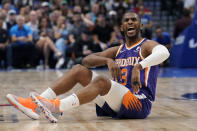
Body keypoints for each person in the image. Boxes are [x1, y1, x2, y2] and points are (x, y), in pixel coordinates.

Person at [6, 12, 170, 123]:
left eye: (134, 20)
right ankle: (33, 105)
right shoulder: (118, 50)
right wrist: (107, 61)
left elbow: (164, 52)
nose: (130, 22)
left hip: (139, 103)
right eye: (126, 20)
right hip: (115, 102)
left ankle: (56, 107)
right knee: (78, 69)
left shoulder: (146, 45)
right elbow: (87, 60)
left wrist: (139, 66)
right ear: (122, 28)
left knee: (101, 81)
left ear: (140, 26)